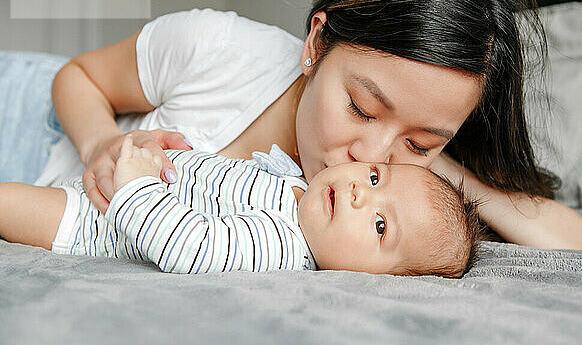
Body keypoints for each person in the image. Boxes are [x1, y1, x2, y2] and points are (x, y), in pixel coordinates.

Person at [2, 0, 582, 251]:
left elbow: (578, 245)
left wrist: (432, 160)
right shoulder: (217, 46)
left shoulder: (378, 188)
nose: (368, 153)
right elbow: (79, 77)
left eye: (421, 139)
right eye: (363, 109)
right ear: (317, 41)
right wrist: (102, 143)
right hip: (25, 110)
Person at [0, 137, 483, 278]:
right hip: (116, 188)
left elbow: (191, 246)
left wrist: (139, 186)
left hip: (95, 225)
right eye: (377, 177)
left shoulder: (281, 246)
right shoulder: (300, 192)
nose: (361, 191)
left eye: (380, 225)